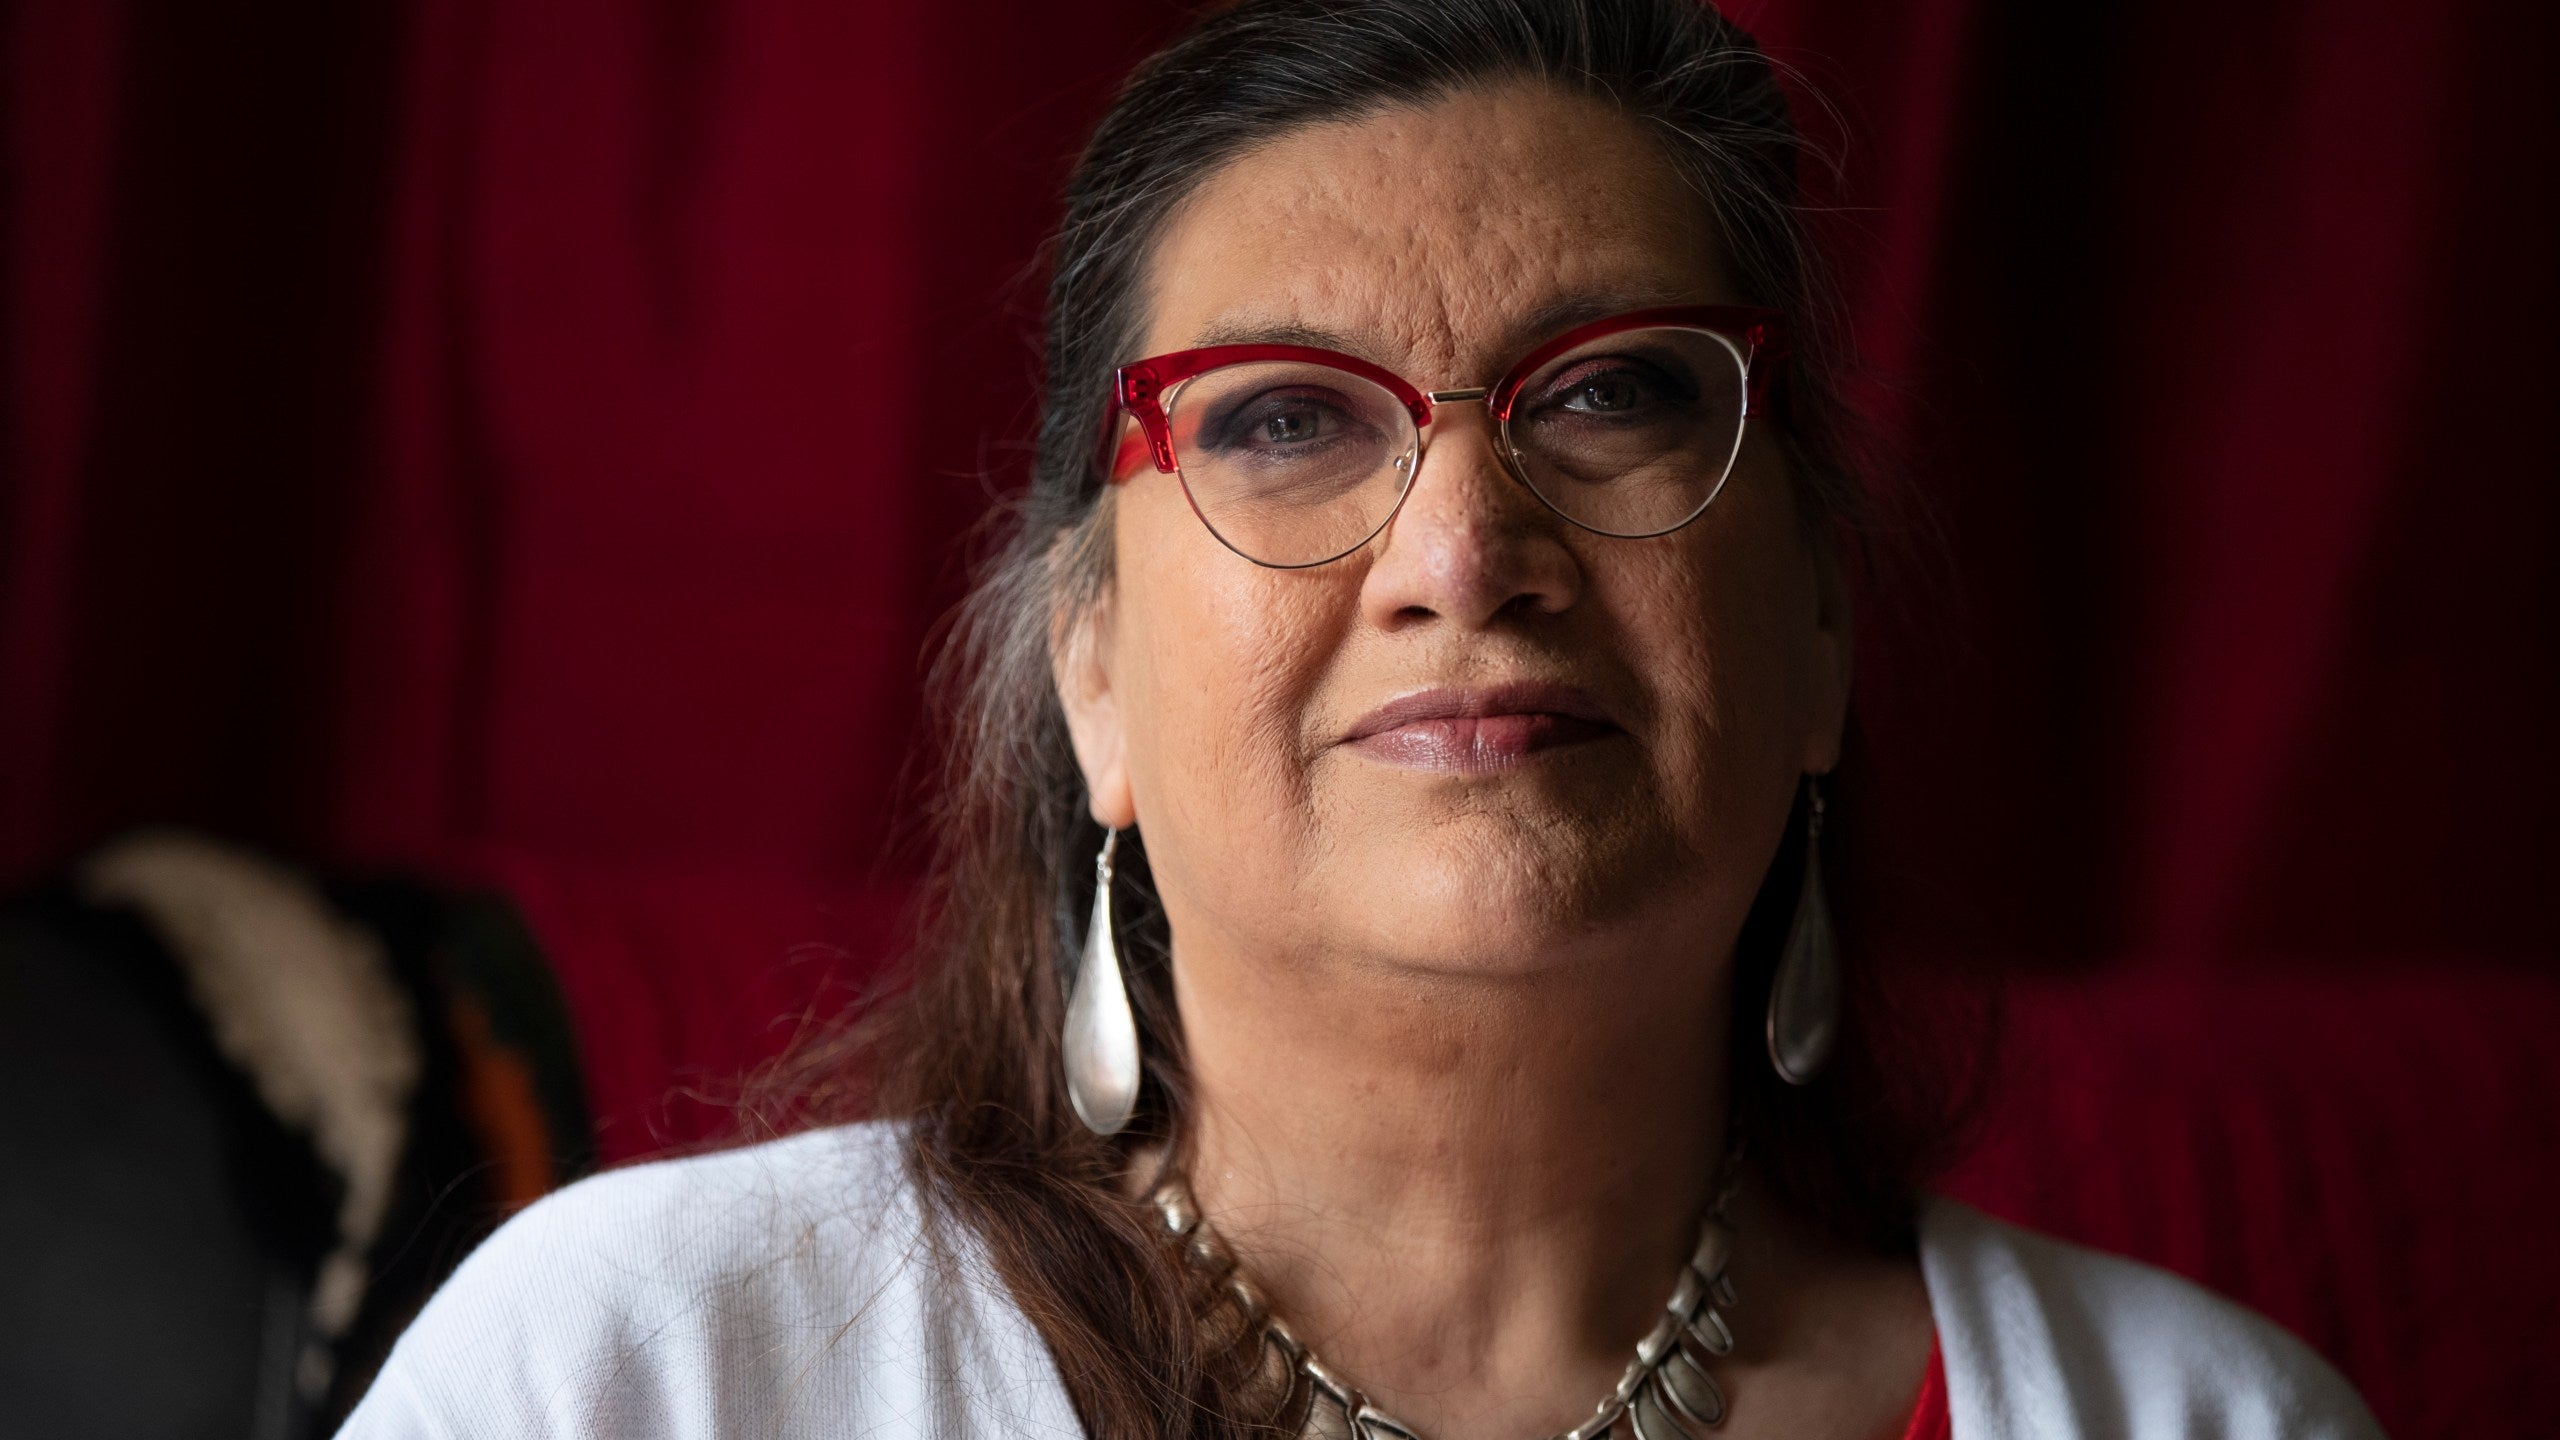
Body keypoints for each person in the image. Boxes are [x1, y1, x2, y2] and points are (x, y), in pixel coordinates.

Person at [339, 1, 2385, 1436]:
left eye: (1608, 392)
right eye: (1283, 420)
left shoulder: (2205, 1419)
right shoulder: (645, 1378)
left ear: (1822, 636)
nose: (1463, 547)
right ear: (1096, 684)